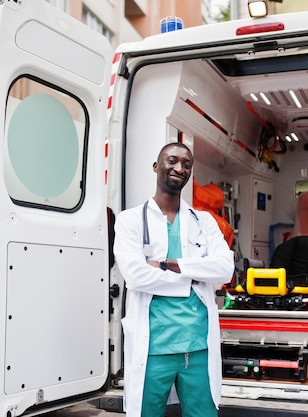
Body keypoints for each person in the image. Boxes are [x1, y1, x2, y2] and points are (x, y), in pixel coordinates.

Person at [114, 142, 235, 417]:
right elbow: (135, 275)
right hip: (154, 347)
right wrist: (192, 278)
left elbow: (224, 269)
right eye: (172, 161)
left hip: (197, 346)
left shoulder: (203, 221)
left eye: (186, 164)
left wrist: (171, 265)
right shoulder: (130, 220)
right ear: (157, 166)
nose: (179, 168)